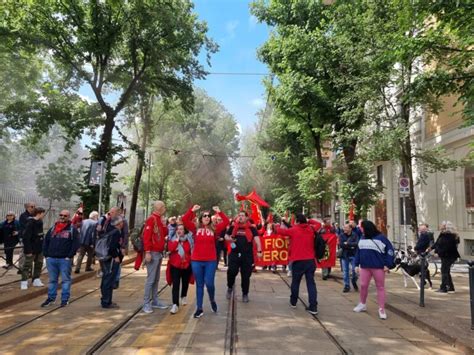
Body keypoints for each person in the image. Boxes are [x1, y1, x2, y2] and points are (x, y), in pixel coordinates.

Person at [182, 204, 229, 318]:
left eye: (208, 216)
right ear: (201, 218)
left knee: (209, 283)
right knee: (199, 285)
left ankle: (212, 299)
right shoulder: (195, 228)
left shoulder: (215, 229)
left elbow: (226, 221)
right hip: (197, 261)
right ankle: (199, 308)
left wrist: (219, 211)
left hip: (210, 261)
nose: (207, 217)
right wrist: (192, 210)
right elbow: (184, 220)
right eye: (204, 216)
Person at [276, 214, 319, 315]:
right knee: (311, 283)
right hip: (310, 260)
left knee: (295, 282)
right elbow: (318, 224)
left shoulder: (294, 229)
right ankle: (313, 306)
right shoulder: (311, 228)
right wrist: (309, 221)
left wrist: (278, 224)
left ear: (298, 222)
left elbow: (281, 231)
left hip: (298, 260)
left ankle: (293, 302)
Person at [353, 220, 395, 320]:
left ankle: (381, 309)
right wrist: (356, 264)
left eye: (361, 227)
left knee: (380, 287)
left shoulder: (381, 238)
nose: (360, 228)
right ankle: (362, 303)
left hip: (378, 267)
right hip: (364, 266)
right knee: (363, 285)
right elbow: (358, 252)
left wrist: (388, 264)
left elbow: (390, 251)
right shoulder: (362, 238)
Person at [41, 210, 80, 307]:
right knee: (52, 280)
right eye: (61, 215)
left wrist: (69, 256)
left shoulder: (72, 229)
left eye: (65, 216)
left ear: (68, 217)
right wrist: (47, 255)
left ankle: (64, 299)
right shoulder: (53, 228)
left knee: (65, 280)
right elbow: (46, 241)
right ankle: (51, 298)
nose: (62, 217)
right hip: (51, 259)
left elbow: (76, 244)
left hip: (64, 259)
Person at [224, 211, 262, 303]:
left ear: (246, 218)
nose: (240, 217)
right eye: (239, 215)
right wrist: (229, 239)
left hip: (247, 256)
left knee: (245, 275)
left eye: (242, 215)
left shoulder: (252, 228)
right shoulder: (233, 227)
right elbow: (226, 235)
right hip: (234, 254)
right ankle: (229, 287)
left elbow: (257, 240)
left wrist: (259, 251)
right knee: (232, 271)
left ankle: (245, 294)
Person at [142, 201, 169, 314]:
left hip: (158, 252)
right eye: (163, 206)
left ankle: (155, 300)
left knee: (156, 279)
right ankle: (146, 303)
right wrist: (147, 252)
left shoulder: (159, 219)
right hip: (152, 252)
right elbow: (146, 236)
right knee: (151, 279)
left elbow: (164, 233)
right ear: (159, 208)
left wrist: (164, 224)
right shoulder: (151, 219)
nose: (165, 208)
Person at [167, 224, 194, 314]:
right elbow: (171, 248)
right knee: (176, 285)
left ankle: (183, 296)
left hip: (186, 265)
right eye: (178, 229)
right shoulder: (172, 239)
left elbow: (192, 251)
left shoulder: (189, 240)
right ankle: (175, 304)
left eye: (181, 229)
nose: (179, 231)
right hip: (175, 265)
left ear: (184, 231)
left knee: (185, 282)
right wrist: (177, 240)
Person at [100, 217, 124, 308]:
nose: (123, 224)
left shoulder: (109, 230)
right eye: (121, 222)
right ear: (119, 223)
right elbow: (112, 246)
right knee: (108, 279)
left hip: (105, 257)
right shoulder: (116, 232)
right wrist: (116, 256)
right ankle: (106, 301)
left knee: (106, 278)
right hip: (111, 259)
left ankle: (106, 300)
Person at [21, 207, 46, 290]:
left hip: (39, 248)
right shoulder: (30, 223)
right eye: (43, 213)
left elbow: (40, 234)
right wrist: (28, 250)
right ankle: (24, 281)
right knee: (27, 265)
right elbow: (26, 237)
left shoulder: (40, 222)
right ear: (39, 213)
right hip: (31, 248)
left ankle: (36, 279)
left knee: (39, 263)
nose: (44, 215)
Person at [432, 221, 460, 293]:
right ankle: (450, 287)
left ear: (445, 226)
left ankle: (444, 288)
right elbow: (437, 243)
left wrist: (438, 253)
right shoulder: (442, 234)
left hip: (449, 256)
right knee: (446, 271)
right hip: (445, 255)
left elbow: (447, 247)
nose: (440, 225)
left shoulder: (450, 235)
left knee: (444, 271)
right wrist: (430, 248)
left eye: (442, 225)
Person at [338, 223, 359, 292]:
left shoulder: (355, 235)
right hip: (345, 255)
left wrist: (347, 244)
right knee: (345, 271)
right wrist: (351, 245)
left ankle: (353, 281)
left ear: (350, 229)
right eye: (344, 228)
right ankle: (347, 286)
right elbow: (341, 245)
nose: (344, 229)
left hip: (353, 255)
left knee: (354, 271)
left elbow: (356, 244)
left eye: (346, 228)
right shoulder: (341, 235)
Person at [18, 202, 36, 274]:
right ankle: (21, 268)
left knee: (30, 253)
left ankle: (28, 269)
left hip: (32, 238)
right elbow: (26, 225)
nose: (33, 208)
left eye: (34, 206)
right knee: (23, 252)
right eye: (32, 206)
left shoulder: (33, 215)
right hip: (24, 237)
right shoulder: (23, 215)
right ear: (27, 207)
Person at [114, 208, 129, 289]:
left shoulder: (123, 221)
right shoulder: (111, 220)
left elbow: (125, 234)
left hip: (120, 245)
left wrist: (123, 246)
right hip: (113, 245)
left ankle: (116, 279)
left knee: (118, 262)